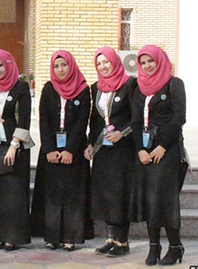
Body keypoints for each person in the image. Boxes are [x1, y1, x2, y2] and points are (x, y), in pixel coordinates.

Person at [30, 50, 93, 251]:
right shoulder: (48, 89)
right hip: (50, 152)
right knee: (52, 194)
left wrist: (70, 150)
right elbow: (44, 120)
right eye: (56, 66)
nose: (60, 69)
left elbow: (82, 122)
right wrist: (48, 148)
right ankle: (51, 236)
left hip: (73, 152)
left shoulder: (83, 90)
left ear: (71, 65)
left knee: (73, 195)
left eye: (64, 65)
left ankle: (70, 237)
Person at [130, 45, 186, 266]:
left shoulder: (174, 84)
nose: (147, 66)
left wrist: (162, 146)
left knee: (165, 199)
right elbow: (135, 121)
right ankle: (154, 246)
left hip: (167, 150)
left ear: (160, 60)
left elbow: (179, 118)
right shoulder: (138, 88)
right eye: (143, 63)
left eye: (150, 61)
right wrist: (140, 149)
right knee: (148, 199)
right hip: (145, 150)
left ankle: (175, 246)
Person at [83, 46, 137, 257]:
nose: (103, 66)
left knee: (119, 194)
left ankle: (122, 242)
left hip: (123, 150)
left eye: (106, 62)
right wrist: (90, 144)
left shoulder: (130, 84)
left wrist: (123, 133)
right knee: (104, 193)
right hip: (103, 150)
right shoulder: (96, 87)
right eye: (99, 63)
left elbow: (137, 117)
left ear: (115, 61)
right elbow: (95, 119)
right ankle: (110, 238)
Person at [0, 49, 33, 251]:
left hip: (16, 147)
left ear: (8, 64)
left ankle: (13, 237)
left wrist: (13, 146)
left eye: (0, 65)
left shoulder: (21, 87)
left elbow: (24, 118)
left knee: (14, 194)